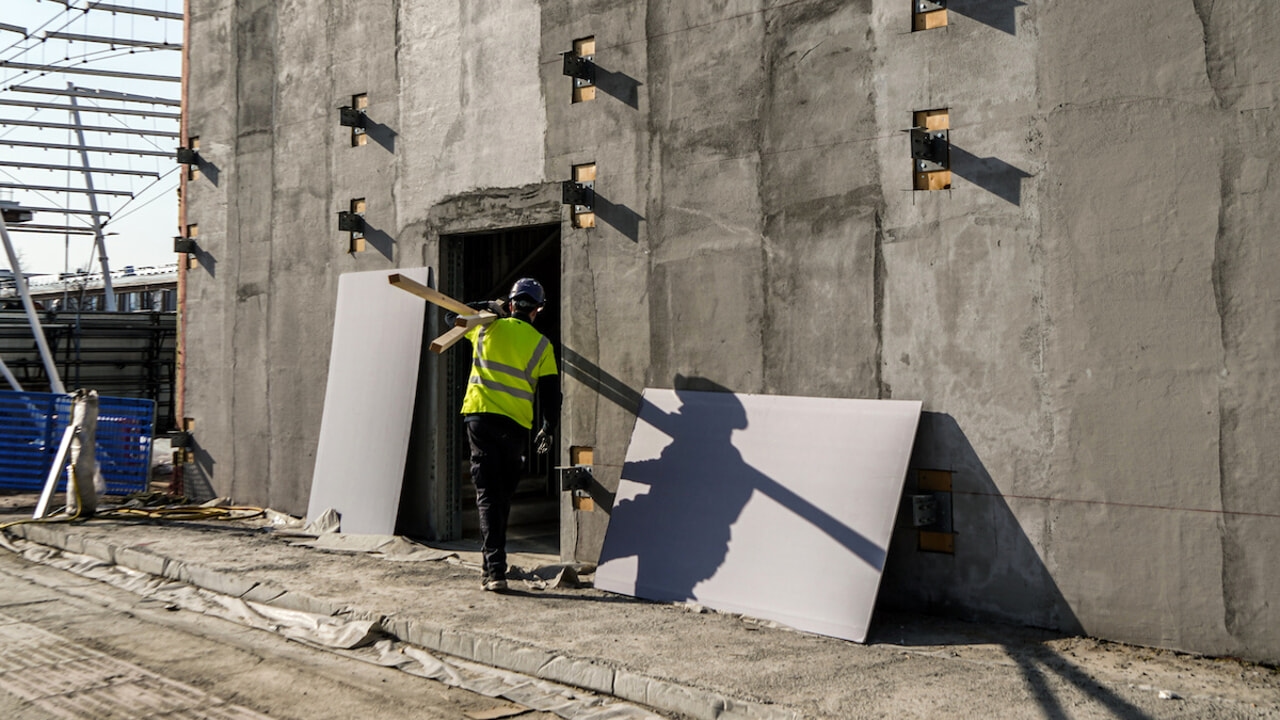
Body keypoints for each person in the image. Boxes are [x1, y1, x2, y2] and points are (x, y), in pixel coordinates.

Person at [460, 277, 560, 591]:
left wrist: (488, 306)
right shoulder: (542, 344)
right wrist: (549, 427)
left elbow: (453, 317)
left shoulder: (487, 328)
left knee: (489, 495)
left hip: (480, 418)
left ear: (512, 303)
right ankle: (494, 568)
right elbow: (551, 394)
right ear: (538, 310)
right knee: (501, 496)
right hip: (515, 427)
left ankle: (494, 571)